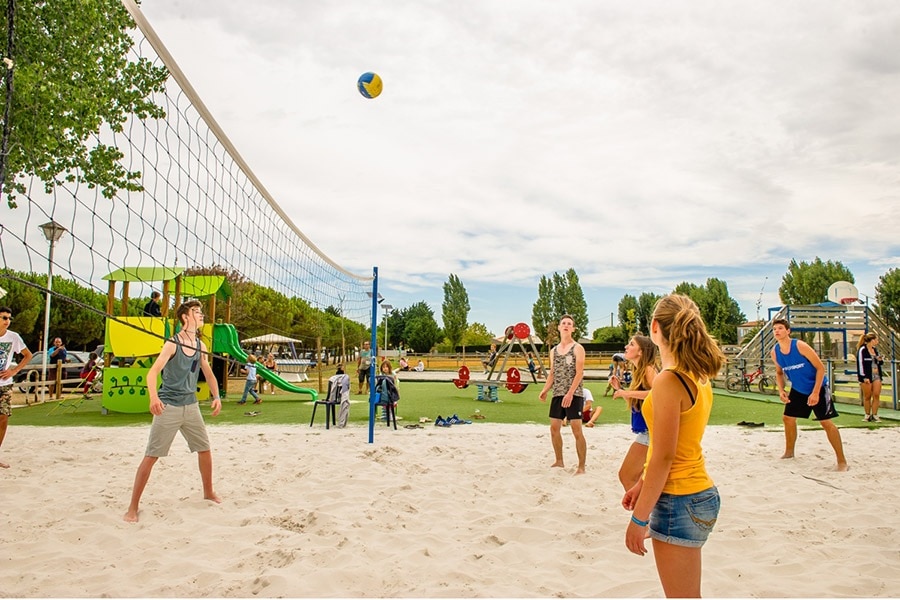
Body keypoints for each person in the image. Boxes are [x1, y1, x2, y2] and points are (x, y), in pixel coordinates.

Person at [622, 294, 724, 597]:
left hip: (679, 498)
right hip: (699, 491)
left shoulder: (669, 380)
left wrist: (639, 518)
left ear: (655, 328)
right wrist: (640, 484)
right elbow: (675, 447)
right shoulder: (698, 375)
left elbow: (664, 457)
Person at [123, 300, 223, 523]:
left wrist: (216, 396)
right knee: (151, 456)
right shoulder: (172, 344)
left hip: (191, 405)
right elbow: (152, 373)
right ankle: (132, 507)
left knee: (205, 449)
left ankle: (208, 491)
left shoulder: (200, 345)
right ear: (185, 318)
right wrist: (153, 398)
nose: (201, 316)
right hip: (168, 406)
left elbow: (208, 373)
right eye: (197, 312)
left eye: (201, 312)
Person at [771, 318, 848, 471]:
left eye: (780, 328)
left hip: (818, 386)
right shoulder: (775, 352)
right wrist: (781, 390)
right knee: (788, 418)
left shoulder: (800, 346)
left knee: (826, 423)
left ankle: (842, 461)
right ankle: (789, 452)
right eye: (774, 329)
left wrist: (815, 393)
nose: (777, 331)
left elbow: (820, 368)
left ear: (788, 331)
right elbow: (779, 373)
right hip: (798, 388)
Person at [602, 335, 658, 490]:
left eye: (631, 344)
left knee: (627, 476)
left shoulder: (649, 369)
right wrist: (620, 390)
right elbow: (639, 405)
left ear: (641, 351)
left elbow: (658, 394)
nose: (626, 347)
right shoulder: (640, 371)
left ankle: (642, 513)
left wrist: (626, 393)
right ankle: (645, 512)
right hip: (648, 430)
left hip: (651, 432)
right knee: (638, 479)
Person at [538, 315, 587, 475]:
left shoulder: (577, 348)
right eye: (563, 323)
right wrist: (545, 390)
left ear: (573, 329)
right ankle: (559, 461)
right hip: (558, 393)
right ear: (559, 327)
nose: (566, 326)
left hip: (574, 393)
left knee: (576, 429)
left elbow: (579, 373)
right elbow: (552, 373)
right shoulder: (553, 351)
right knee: (554, 428)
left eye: (569, 324)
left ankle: (581, 466)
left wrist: (571, 393)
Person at [0, 306, 34, 468]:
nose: (7, 321)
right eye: (4, 318)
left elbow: (28, 355)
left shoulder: (13, 337)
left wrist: (14, 370)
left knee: (3, 418)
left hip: (4, 384)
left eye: (9, 318)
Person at [856, 333, 884, 422]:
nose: (877, 342)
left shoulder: (875, 350)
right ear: (872, 340)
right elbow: (860, 364)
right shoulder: (862, 350)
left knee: (876, 394)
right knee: (867, 396)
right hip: (867, 376)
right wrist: (863, 377)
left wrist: (879, 360)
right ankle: (867, 414)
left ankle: (875, 414)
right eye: (876, 340)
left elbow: (879, 363)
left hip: (876, 375)